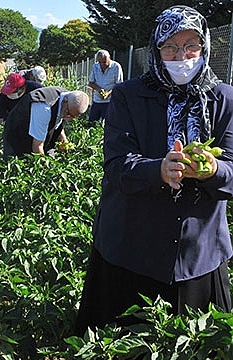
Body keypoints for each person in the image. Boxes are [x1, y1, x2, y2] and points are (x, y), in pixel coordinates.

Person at [75, 5, 233, 334]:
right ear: (156, 49)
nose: (182, 56)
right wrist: (158, 170)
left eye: (191, 46)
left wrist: (213, 170)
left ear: (204, 46)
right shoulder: (129, 95)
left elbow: (231, 169)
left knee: (194, 343)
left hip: (197, 253)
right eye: (170, 47)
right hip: (132, 248)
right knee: (123, 342)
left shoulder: (224, 99)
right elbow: (117, 166)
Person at [2, 87, 89, 158]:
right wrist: (45, 171)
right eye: (69, 114)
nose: (69, 118)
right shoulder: (43, 108)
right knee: (18, 161)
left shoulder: (68, 97)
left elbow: (58, 117)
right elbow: (37, 146)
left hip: (37, 133)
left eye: (73, 116)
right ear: (64, 102)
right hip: (17, 132)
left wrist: (63, 138)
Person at [0, 72, 43, 156]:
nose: (8, 94)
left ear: (21, 89)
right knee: (12, 153)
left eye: (11, 92)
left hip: (34, 124)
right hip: (13, 125)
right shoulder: (3, 97)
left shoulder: (36, 89)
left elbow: (51, 108)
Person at [87, 50, 123, 125]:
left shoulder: (116, 67)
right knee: (91, 123)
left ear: (109, 58)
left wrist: (108, 93)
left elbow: (119, 85)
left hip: (110, 101)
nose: (102, 65)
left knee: (108, 124)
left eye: (104, 62)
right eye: (100, 62)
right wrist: (99, 89)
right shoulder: (95, 67)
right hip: (97, 100)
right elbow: (91, 83)